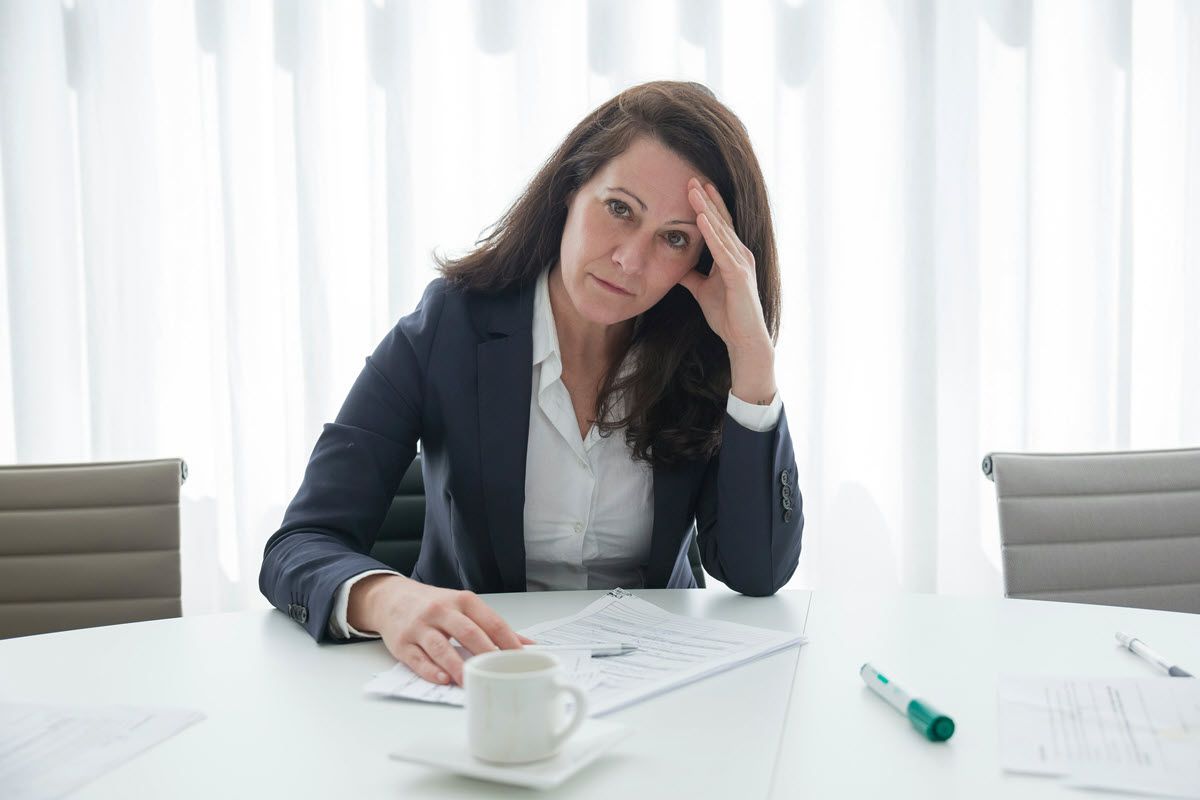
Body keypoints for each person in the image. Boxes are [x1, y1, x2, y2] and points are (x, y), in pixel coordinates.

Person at [259, 80, 803, 687]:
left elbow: (758, 573)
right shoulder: (449, 327)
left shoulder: (702, 355)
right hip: (481, 680)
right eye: (619, 208)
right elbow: (300, 543)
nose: (629, 259)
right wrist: (392, 600)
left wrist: (752, 359)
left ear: (702, 262)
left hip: (656, 686)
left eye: (674, 238)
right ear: (571, 188)